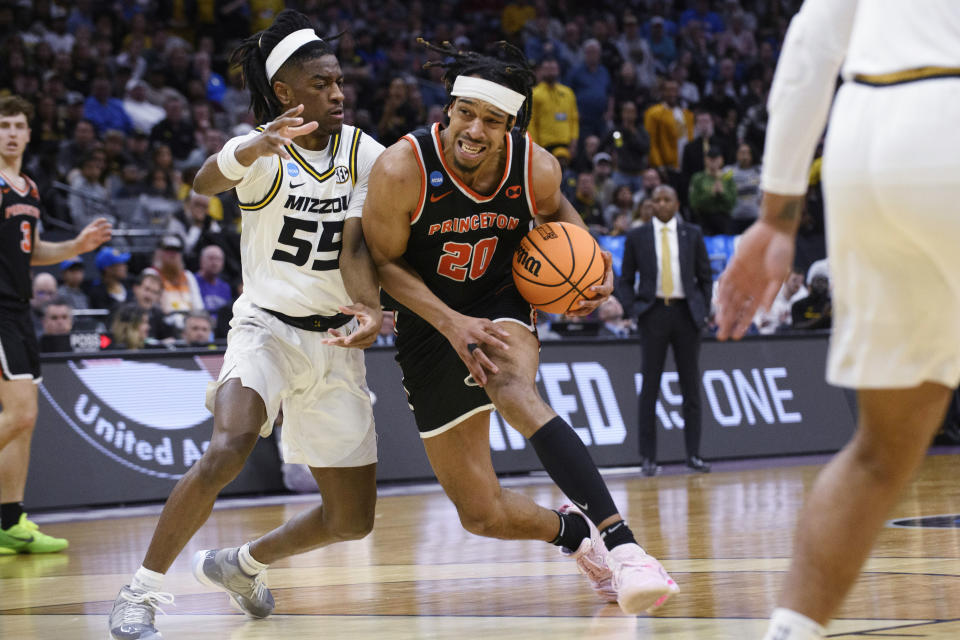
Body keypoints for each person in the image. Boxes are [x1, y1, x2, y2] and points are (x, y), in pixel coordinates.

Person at [361, 39, 678, 616]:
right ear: (448, 110)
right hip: (428, 318)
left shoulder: (534, 166)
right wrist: (451, 323)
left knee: (510, 385)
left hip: (501, 295)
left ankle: (625, 546)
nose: (475, 130)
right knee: (480, 513)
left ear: (511, 124)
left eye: (492, 120)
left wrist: (589, 265)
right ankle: (574, 535)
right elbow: (385, 265)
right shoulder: (400, 169)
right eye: (466, 114)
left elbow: (560, 215)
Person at [108, 10, 385, 639]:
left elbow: (355, 249)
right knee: (227, 448)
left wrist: (369, 309)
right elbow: (202, 181)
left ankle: (242, 564)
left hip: (334, 339)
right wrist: (253, 144)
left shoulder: (363, 152)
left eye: (339, 81)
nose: (338, 93)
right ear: (285, 92)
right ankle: (141, 592)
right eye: (321, 84)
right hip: (265, 327)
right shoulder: (261, 149)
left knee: (352, 521)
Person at [715, 2, 960, 639]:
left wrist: (775, 216)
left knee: (880, 455)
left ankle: (791, 632)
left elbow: (809, 48)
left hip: (867, 133)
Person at [0, 95, 111, 555]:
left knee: (25, 422)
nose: (10, 132)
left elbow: (33, 251)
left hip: (20, 308)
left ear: (28, 134)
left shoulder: (28, 187)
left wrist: (77, 246)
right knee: (20, 412)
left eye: (17, 125)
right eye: (3, 124)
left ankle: (10, 522)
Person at [616, 185, 712, 476]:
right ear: (651, 205)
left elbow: (705, 276)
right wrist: (634, 310)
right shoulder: (637, 236)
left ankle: (693, 454)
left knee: (691, 388)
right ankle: (648, 458)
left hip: (686, 314)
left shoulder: (692, 234)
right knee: (649, 388)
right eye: (656, 199)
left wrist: (702, 310)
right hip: (653, 313)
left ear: (677, 202)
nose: (661, 203)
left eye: (666, 199)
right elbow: (625, 279)